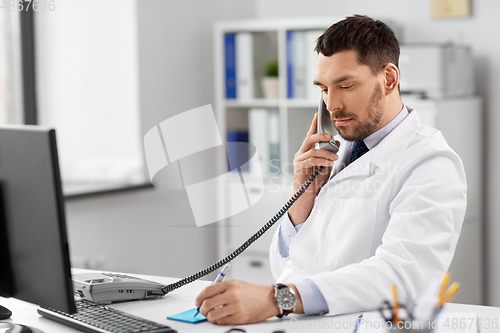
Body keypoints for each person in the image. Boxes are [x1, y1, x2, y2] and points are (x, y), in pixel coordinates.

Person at [195, 15, 467, 325]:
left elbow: (403, 276)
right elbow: (287, 267)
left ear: (389, 79)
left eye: (345, 85)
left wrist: (278, 299)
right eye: (323, 88)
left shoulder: (431, 163)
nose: (331, 104)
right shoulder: (334, 154)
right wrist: (302, 200)